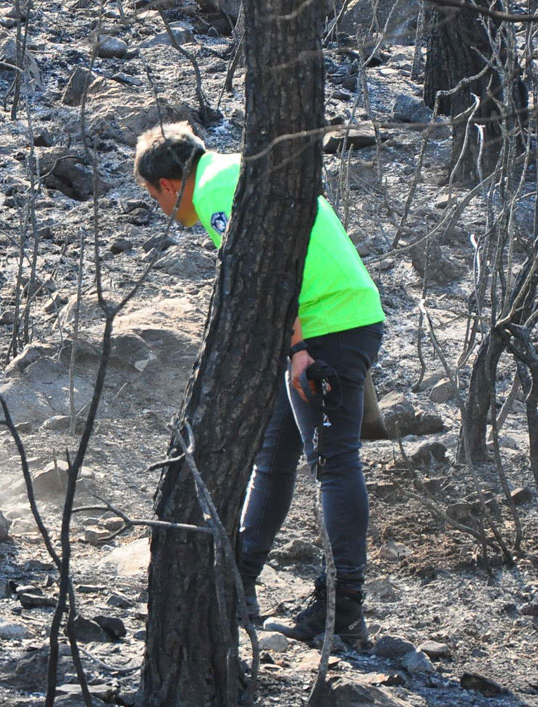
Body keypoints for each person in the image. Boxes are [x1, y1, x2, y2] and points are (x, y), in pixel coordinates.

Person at [134, 122, 386, 643]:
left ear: (165, 184)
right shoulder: (236, 169)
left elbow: (272, 269)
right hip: (335, 317)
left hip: (325, 328)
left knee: (334, 461)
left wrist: (297, 350)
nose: (160, 209)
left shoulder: (212, 190)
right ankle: (240, 580)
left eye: (152, 196)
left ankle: (343, 605)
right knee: (274, 452)